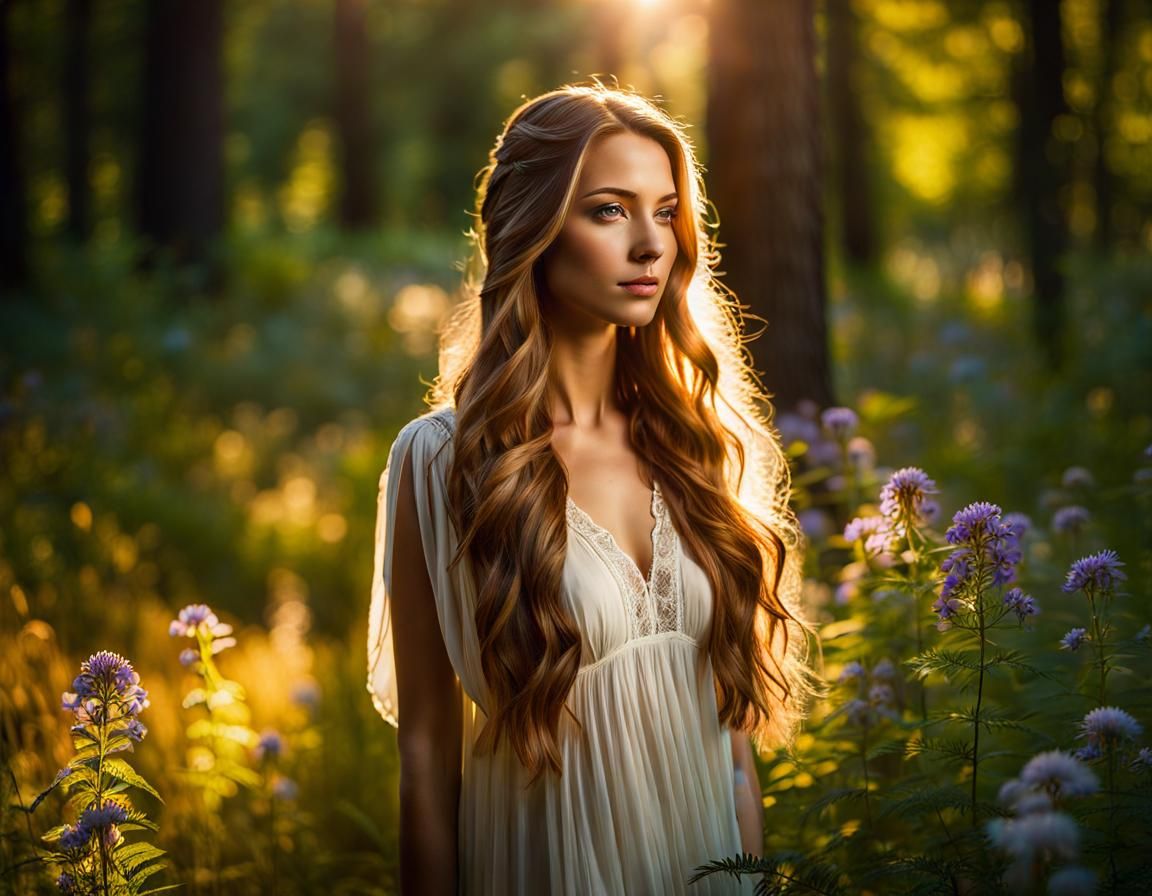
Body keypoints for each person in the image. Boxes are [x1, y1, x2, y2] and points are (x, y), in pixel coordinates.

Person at [368, 83, 813, 895]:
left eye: (665, 213)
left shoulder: (695, 446)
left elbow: (733, 757)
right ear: (533, 228)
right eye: (609, 211)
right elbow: (426, 759)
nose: (650, 246)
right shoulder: (442, 461)